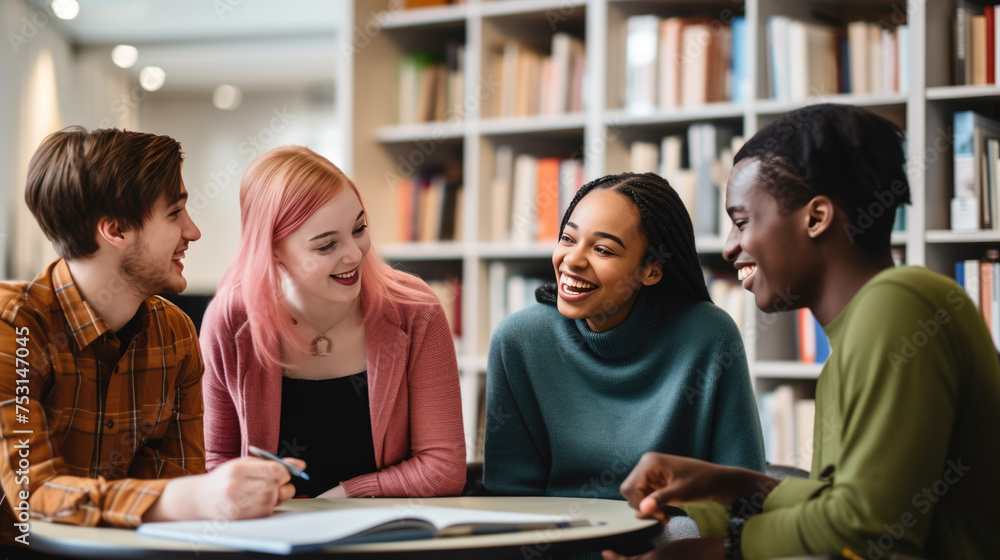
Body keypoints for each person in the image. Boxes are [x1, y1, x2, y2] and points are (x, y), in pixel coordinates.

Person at [606, 104, 1000, 560]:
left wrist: (713, 552)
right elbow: (839, 502)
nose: (730, 247)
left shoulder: (901, 303)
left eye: (741, 222)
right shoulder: (852, 344)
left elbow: (864, 531)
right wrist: (726, 484)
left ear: (816, 218)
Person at [0, 127, 300, 544]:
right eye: (175, 214)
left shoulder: (175, 333)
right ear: (117, 230)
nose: (192, 232)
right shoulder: (12, 326)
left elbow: (177, 498)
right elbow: (31, 496)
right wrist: (188, 500)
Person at [200, 145, 465, 499]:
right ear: (273, 250)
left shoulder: (415, 310)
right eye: (326, 246)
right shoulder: (231, 321)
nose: (355, 254)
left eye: (359, 229)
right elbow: (215, 462)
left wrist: (346, 495)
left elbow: (443, 470)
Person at [483, 172, 765, 503]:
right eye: (568, 239)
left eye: (602, 249)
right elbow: (510, 498)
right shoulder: (519, 341)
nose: (572, 261)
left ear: (651, 269)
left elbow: (743, 491)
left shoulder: (708, 336)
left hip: (669, 543)